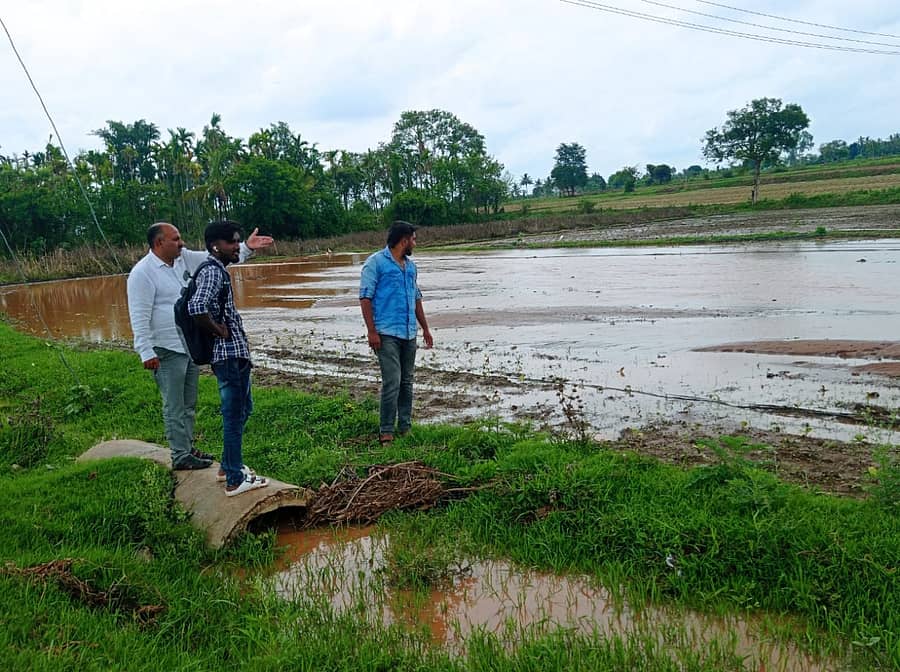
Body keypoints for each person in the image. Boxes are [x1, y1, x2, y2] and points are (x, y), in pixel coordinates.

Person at [127, 222, 273, 470]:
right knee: (174, 404)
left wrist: (246, 248)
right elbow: (138, 314)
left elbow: (216, 257)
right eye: (175, 239)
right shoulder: (142, 273)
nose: (181, 243)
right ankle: (180, 455)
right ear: (159, 243)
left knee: (189, 403)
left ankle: (187, 447)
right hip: (165, 347)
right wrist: (145, 350)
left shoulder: (184, 259)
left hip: (189, 345)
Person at [189, 220, 268, 496]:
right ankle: (234, 479)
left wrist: (248, 247)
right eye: (232, 242)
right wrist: (218, 329)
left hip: (234, 354)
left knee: (244, 409)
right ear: (215, 246)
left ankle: (227, 465)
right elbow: (196, 306)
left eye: (238, 241)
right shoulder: (212, 271)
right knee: (234, 415)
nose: (237, 246)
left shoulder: (218, 268)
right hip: (228, 356)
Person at [359, 221, 434, 445]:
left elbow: (416, 298)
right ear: (404, 240)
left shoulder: (410, 267)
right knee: (392, 381)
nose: (415, 243)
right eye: (413, 239)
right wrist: (372, 331)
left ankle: (405, 426)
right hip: (386, 333)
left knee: (407, 382)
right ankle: (386, 431)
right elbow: (365, 297)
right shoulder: (376, 263)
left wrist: (426, 328)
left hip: (408, 332)